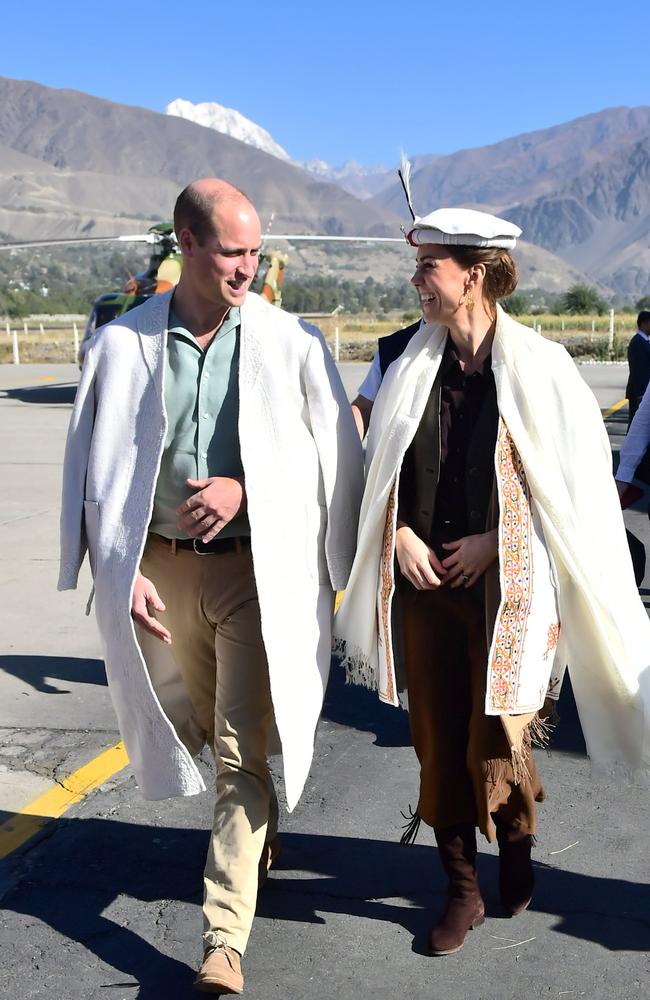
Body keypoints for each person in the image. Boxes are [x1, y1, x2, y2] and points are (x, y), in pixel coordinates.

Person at [59, 178, 363, 995]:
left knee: (238, 749)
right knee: (187, 722)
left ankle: (223, 940)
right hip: (157, 574)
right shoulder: (121, 347)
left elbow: (330, 453)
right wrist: (113, 569)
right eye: (233, 251)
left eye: (256, 251)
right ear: (186, 244)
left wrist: (244, 489)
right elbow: (95, 467)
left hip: (252, 571)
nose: (249, 268)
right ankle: (253, 834)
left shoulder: (290, 342)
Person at [334, 206, 650, 958]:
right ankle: (462, 890)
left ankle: (514, 841)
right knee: (439, 738)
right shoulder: (397, 357)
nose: (416, 281)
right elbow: (366, 463)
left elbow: (573, 494)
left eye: (428, 267)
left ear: (473, 275)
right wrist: (395, 533)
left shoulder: (543, 368)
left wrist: (496, 546)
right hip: (421, 585)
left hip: (508, 589)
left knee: (501, 731)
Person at [625, 311, 650, 425]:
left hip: (642, 393)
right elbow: (638, 370)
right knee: (636, 426)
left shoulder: (643, 341)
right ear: (644, 324)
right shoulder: (638, 343)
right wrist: (640, 393)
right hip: (639, 393)